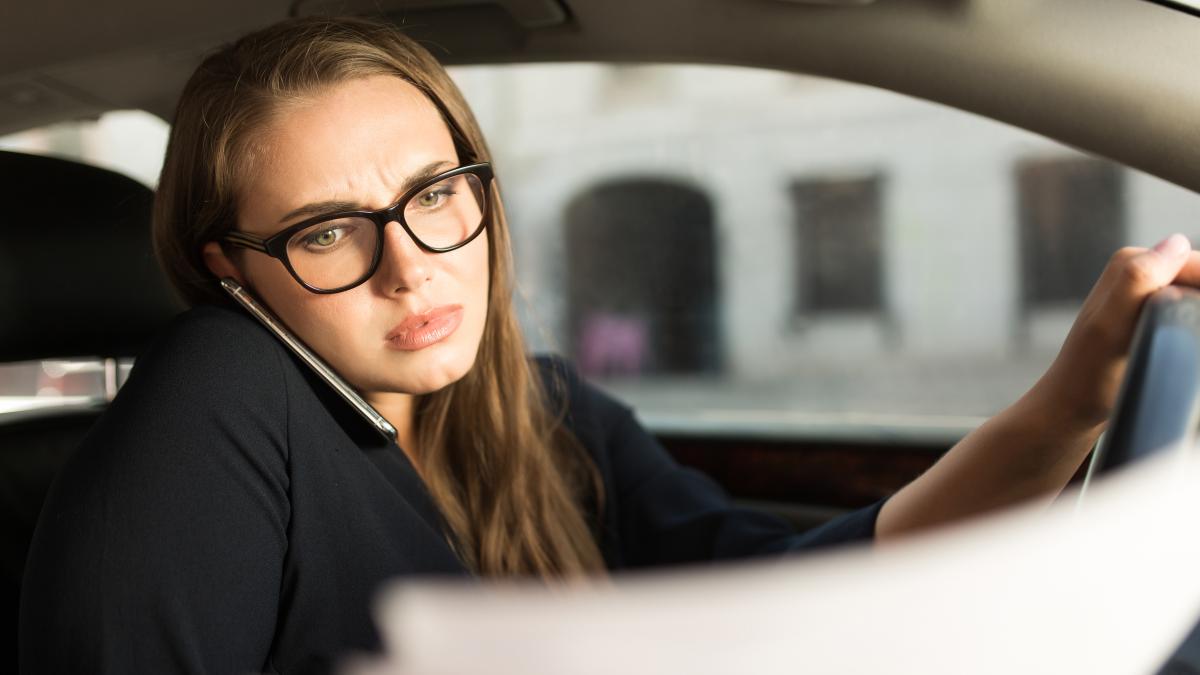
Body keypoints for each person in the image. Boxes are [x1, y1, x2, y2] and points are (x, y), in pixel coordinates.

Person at [18, 14, 1200, 675]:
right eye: (330, 231)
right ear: (229, 265)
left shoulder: (539, 409)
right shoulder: (221, 395)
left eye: (436, 193)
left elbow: (803, 586)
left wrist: (1070, 401)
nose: (412, 266)